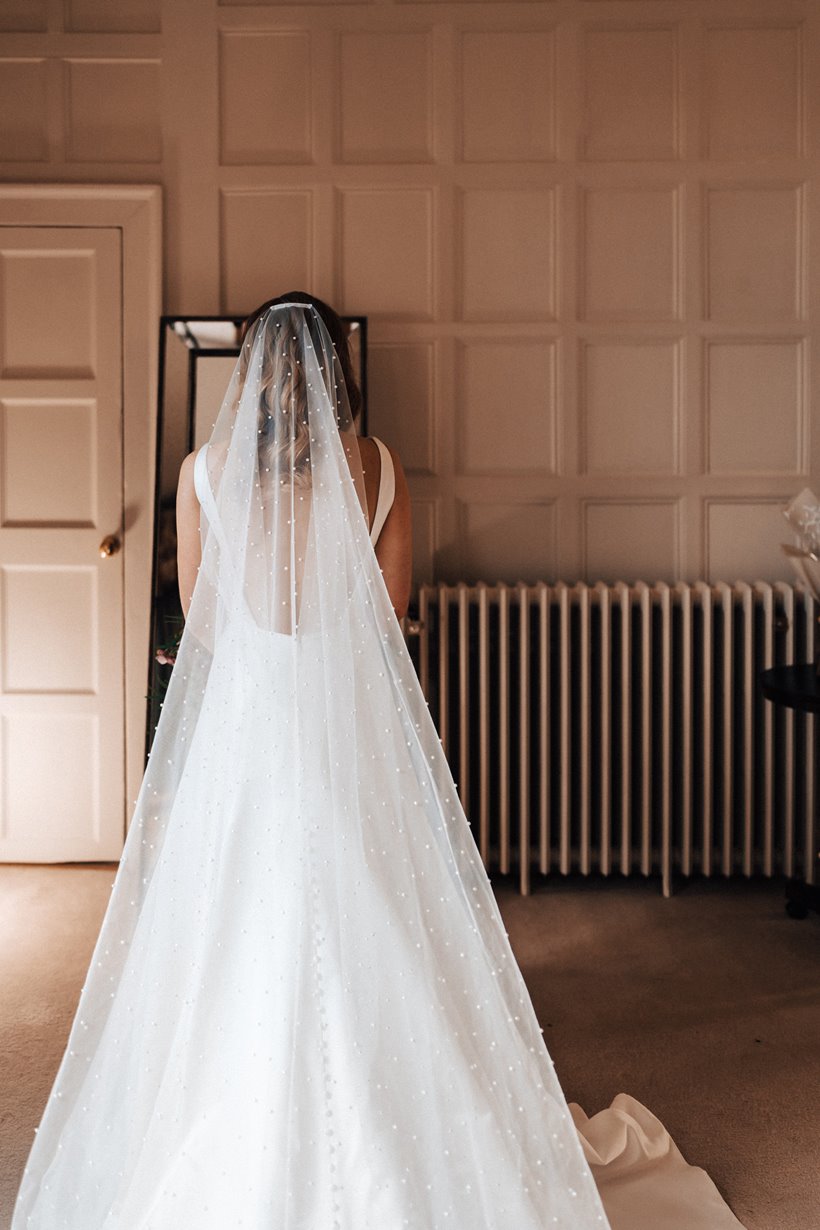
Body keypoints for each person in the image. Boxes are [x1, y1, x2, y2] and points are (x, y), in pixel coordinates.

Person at [11, 294, 745, 1229]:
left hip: (250, 735)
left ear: (249, 377)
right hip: (346, 731)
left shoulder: (204, 472)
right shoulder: (380, 468)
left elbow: (201, 623)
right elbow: (392, 618)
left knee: (234, 916)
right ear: (336, 375)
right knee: (374, 911)